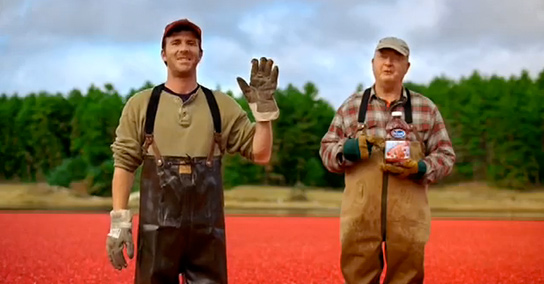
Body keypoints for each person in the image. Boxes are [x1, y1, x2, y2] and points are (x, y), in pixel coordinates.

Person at [105, 18, 280, 284]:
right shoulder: (141, 105)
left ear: (200, 54)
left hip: (207, 235)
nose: (184, 48)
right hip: (157, 233)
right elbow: (124, 164)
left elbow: (260, 153)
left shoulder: (221, 105)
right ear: (164, 54)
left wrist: (264, 113)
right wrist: (119, 222)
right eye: (175, 43)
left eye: (191, 43)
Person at [319, 37, 456, 283]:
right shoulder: (351, 108)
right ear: (373, 63)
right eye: (383, 57)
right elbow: (326, 151)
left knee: (407, 277)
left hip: (409, 216)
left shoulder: (426, 108)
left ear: (407, 67)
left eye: (397, 58)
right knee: (358, 276)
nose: (389, 64)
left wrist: (422, 167)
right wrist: (348, 150)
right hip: (360, 215)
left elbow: (446, 155)